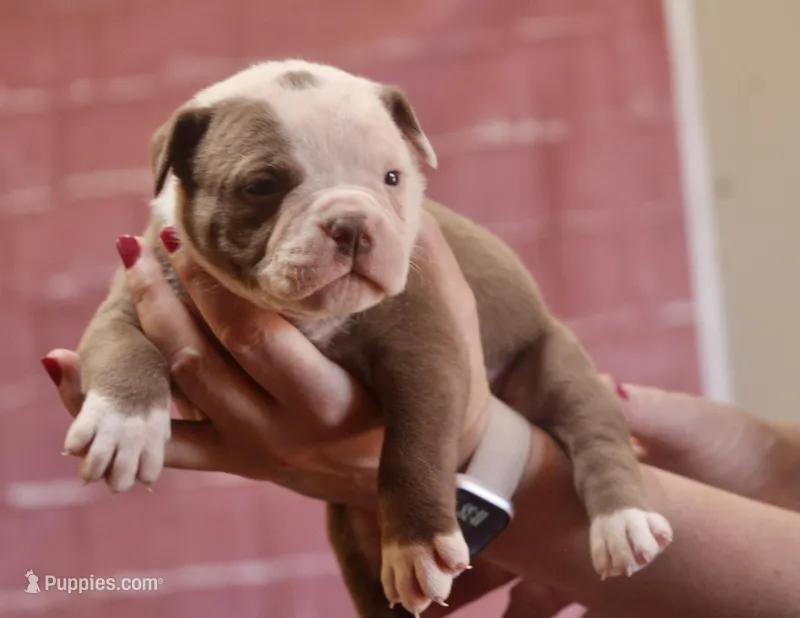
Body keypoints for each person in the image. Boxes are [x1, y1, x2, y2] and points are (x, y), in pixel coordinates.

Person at [41, 213, 800, 617]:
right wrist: (773, 458)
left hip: (520, 400)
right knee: (374, 555)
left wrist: (483, 463)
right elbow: (122, 325)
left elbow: (443, 392)